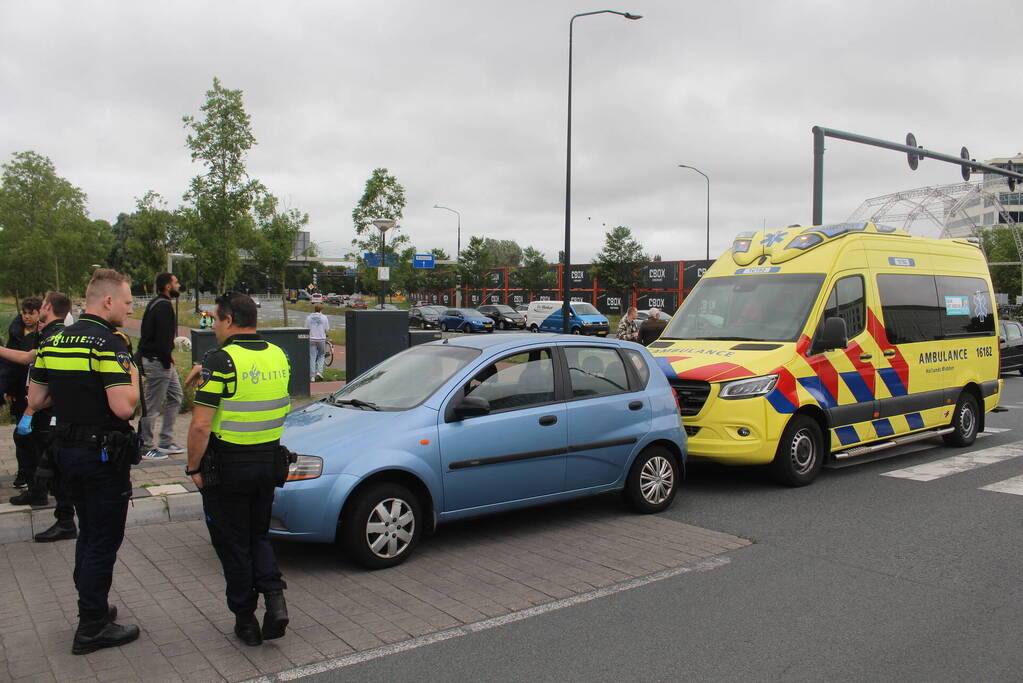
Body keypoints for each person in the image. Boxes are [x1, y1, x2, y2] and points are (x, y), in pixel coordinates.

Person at [28, 269, 141, 654]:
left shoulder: (54, 339)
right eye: (127, 302)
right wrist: (134, 373)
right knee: (102, 539)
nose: (129, 309)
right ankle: (92, 626)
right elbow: (123, 407)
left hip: (66, 453)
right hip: (102, 457)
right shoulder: (109, 343)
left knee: (88, 532)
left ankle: (93, 607)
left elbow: (37, 400)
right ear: (108, 301)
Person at [185, 292, 290, 647]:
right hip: (267, 463)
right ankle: (275, 600)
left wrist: (193, 469)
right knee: (258, 535)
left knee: (233, 544)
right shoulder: (279, 355)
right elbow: (253, 387)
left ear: (229, 320)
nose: (213, 326)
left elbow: (200, 426)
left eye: (215, 319)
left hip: (228, 468)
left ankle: (245, 619)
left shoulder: (221, 360)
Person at [2, 293, 78, 537]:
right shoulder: (48, 335)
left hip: (50, 413)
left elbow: (58, 385)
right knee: (43, 457)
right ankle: (40, 494)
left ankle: (65, 520)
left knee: (54, 465)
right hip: (45, 411)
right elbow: (27, 359)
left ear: (47, 308)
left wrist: (32, 408)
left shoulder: (56, 337)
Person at [137, 272, 183, 460]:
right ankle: (145, 445)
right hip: (158, 362)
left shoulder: (156, 303)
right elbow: (163, 337)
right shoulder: (163, 307)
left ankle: (166, 440)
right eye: (176, 282)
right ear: (167, 286)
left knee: (176, 396)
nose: (179, 285)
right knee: (152, 405)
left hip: (161, 359)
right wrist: (166, 360)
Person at [4, 297, 41, 489]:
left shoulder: (43, 333)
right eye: (24, 313)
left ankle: (39, 474)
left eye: (31, 313)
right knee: (20, 433)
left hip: (37, 390)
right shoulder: (15, 332)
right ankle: (24, 472)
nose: (26, 317)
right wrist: (9, 389)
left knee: (38, 435)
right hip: (19, 388)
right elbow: (8, 363)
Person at [305, 303, 330, 381]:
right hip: (321, 339)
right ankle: (319, 372)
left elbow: (306, 328)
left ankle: (312, 376)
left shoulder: (309, 318)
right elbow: (327, 329)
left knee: (312, 357)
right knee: (321, 355)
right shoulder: (324, 318)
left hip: (311, 339)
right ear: (321, 310)